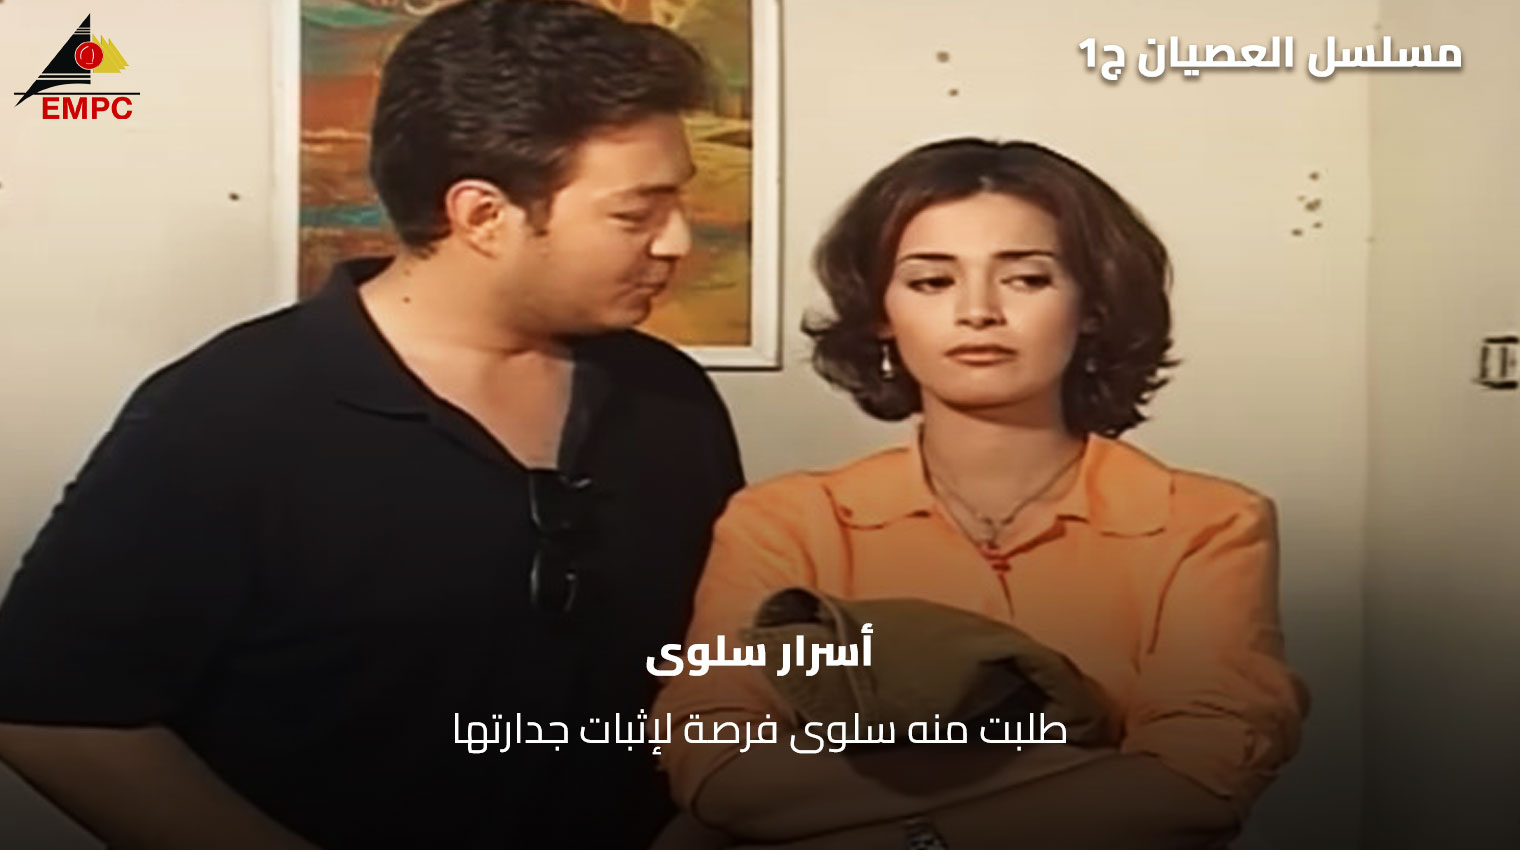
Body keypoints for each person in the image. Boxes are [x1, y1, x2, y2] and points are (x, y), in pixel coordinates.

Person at [0, 2, 742, 848]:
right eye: (636, 214)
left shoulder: (670, 400)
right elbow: (52, 710)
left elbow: (718, 674)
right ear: (482, 216)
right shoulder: (231, 412)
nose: (678, 241)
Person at [653, 138, 1308, 850]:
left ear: (1093, 305)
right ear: (879, 311)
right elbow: (717, 763)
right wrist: (1091, 770)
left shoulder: (1208, 524)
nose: (978, 312)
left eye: (1026, 278)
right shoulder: (785, 523)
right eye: (932, 281)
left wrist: (915, 837)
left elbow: (1196, 784)